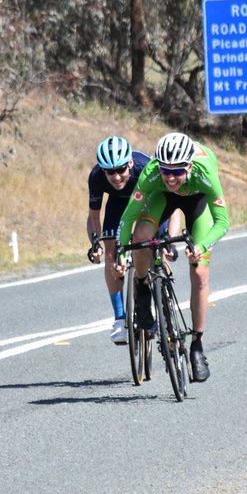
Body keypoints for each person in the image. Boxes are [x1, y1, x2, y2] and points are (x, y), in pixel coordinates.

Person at [116, 132, 229, 383]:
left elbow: (223, 222)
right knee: (140, 238)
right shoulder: (153, 175)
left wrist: (201, 245)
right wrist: (121, 252)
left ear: (189, 166)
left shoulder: (205, 171)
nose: (170, 177)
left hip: (198, 201)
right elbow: (127, 219)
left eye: (177, 171)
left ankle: (197, 345)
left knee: (199, 272)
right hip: (161, 199)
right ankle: (144, 288)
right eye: (166, 170)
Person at [86, 135, 150, 344]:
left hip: (148, 201)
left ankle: (158, 296)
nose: (116, 177)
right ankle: (120, 319)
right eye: (110, 172)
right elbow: (94, 216)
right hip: (118, 205)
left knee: (152, 245)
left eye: (121, 170)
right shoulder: (96, 176)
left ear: (130, 163)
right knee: (111, 254)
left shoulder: (144, 168)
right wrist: (95, 244)